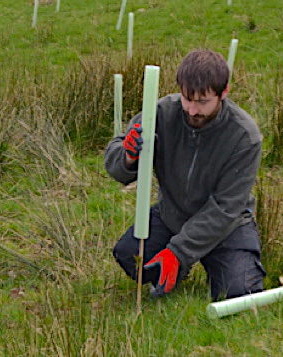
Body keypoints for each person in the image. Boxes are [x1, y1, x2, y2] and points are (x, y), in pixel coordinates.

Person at [105, 48, 265, 300]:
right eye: (187, 99)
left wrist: (177, 252)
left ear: (223, 93)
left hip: (227, 226)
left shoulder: (244, 136)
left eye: (202, 102)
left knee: (239, 292)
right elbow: (115, 166)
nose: (192, 110)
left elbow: (225, 207)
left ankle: (203, 264)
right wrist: (128, 156)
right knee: (130, 255)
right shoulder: (160, 113)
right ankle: (177, 272)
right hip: (173, 213)